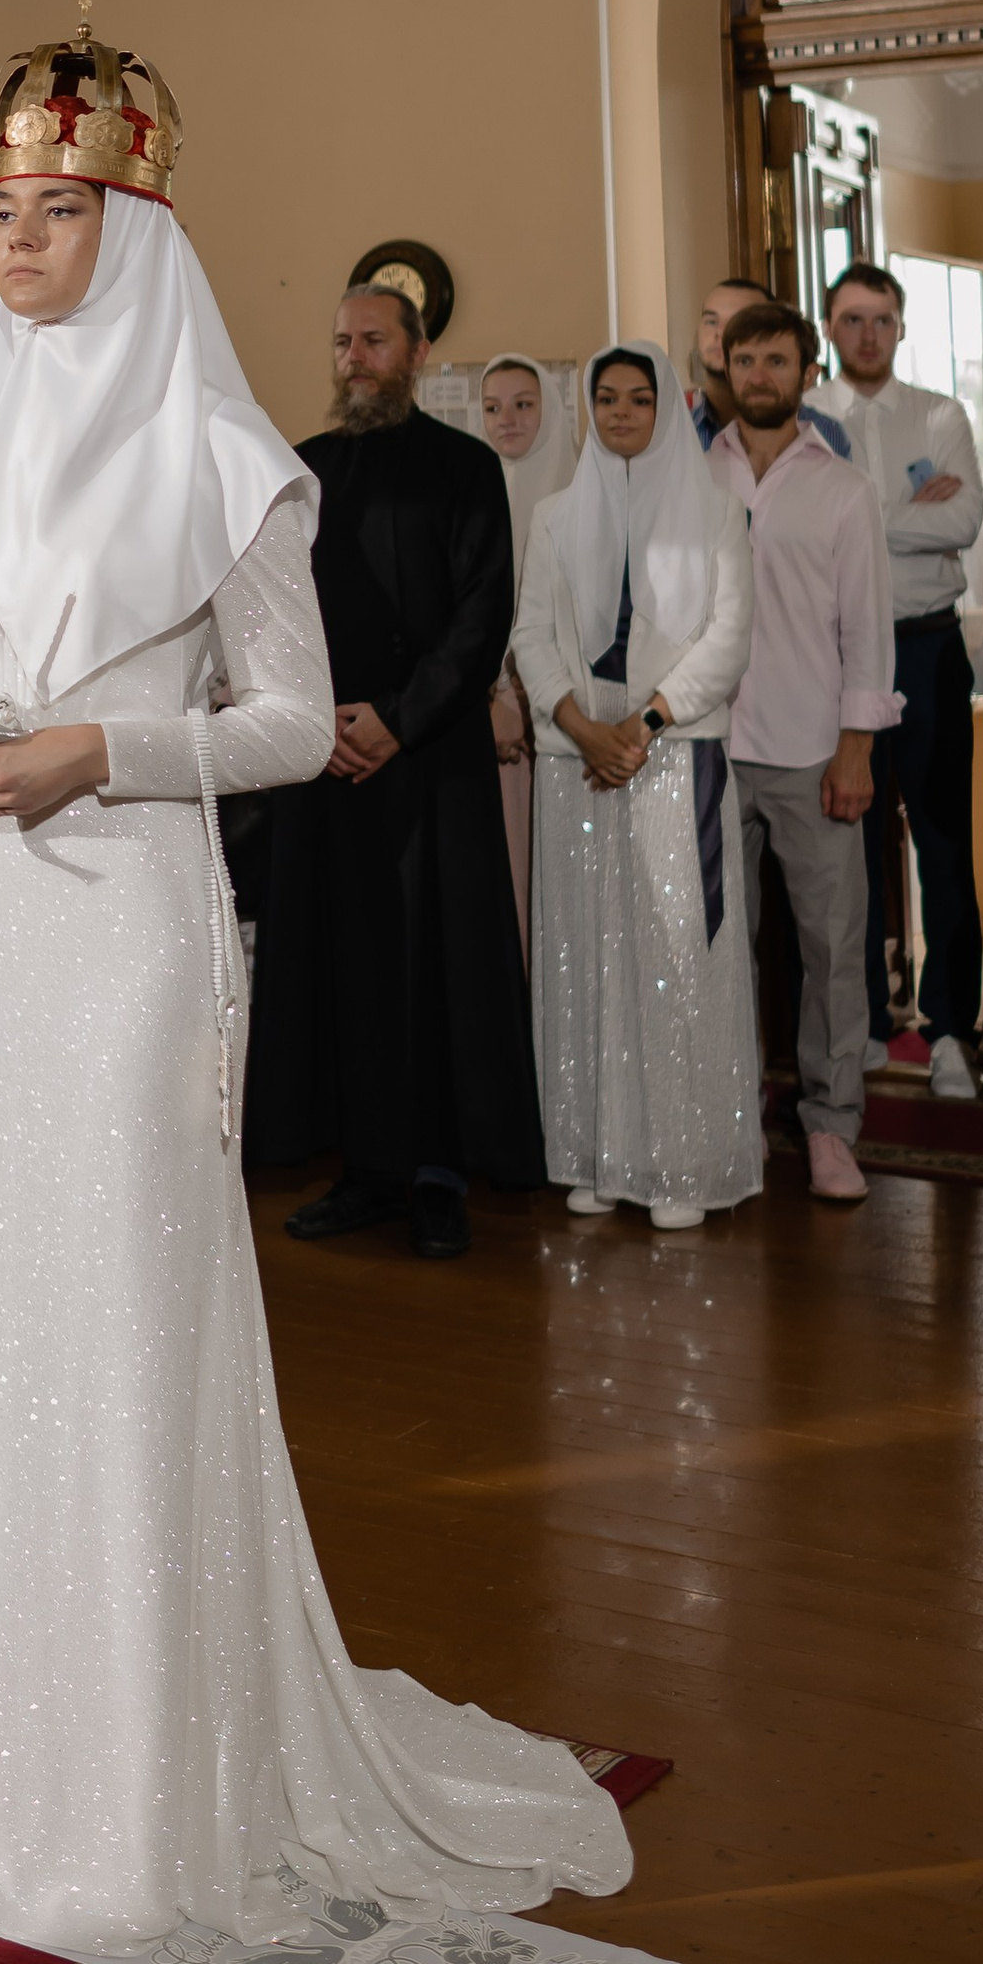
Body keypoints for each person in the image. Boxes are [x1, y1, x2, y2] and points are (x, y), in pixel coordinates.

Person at [0, 22, 631, 1950]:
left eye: (60, 208)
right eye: (1, 206)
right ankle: (2, 1766)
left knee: (125, 1319)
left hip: (128, 920)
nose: (22, 236)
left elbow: (296, 720)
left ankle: (152, 1772)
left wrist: (98, 753)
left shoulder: (229, 461)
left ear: (135, 228)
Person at [244, 286, 541, 1259]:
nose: (354, 356)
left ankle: (436, 1175)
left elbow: (481, 615)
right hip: (323, 757)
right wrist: (316, 715)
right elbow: (275, 611)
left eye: (373, 339)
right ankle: (363, 1166)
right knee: (343, 966)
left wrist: (397, 719)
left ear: (417, 353)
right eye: (341, 342)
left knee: (436, 968)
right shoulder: (304, 467)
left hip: (429, 763)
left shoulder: (464, 467)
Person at [511, 344, 757, 1230]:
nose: (621, 413)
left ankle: (682, 1164)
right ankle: (598, 1156)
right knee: (586, 955)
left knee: (675, 957)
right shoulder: (552, 516)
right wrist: (582, 727)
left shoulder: (719, 513)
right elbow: (532, 632)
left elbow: (727, 641)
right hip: (579, 764)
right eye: (606, 398)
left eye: (639, 399)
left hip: (672, 756)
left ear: (667, 409)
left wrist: (643, 727)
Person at [710, 300, 900, 1208]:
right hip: (708, 747)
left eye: (775, 360)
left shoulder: (843, 488)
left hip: (811, 749)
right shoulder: (690, 475)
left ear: (803, 368)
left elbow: (867, 631)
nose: (758, 376)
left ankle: (831, 1126)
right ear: (726, 370)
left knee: (832, 946)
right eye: (744, 360)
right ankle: (730, 1117)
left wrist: (856, 749)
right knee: (719, 947)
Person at [809, 260, 983, 1098]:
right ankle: (871, 1027)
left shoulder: (940, 414)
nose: (867, 334)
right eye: (851, 319)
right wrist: (905, 516)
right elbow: (804, 535)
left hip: (926, 648)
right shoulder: (807, 420)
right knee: (847, 845)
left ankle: (951, 1029)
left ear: (903, 327)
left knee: (943, 841)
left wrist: (858, 519)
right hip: (835, 656)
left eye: (882, 319)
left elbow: (965, 518)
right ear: (830, 326)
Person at [479, 354, 577, 948]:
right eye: (492, 408)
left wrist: (529, 697)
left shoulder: (577, 495)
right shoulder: (470, 491)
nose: (507, 420)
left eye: (524, 404)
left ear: (551, 408)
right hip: (491, 722)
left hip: (564, 717)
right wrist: (493, 700)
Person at [690, 276, 846, 460]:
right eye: (712, 321)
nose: (722, 333)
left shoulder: (824, 432)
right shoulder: (673, 425)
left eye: (741, 321)